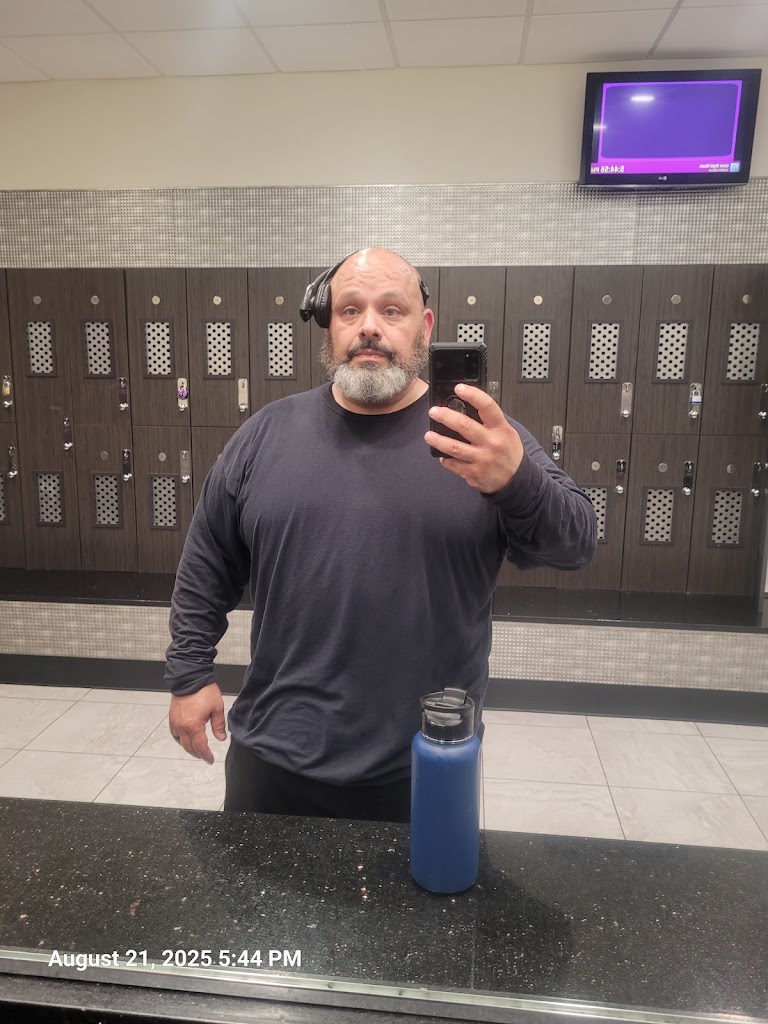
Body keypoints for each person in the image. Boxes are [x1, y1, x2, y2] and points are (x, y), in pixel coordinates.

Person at [165, 248, 597, 821]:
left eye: (392, 310)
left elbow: (576, 544)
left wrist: (516, 482)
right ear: (330, 326)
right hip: (273, 757)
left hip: (424, 763)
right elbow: (207, 562)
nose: (369, 326)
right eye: (350, 310)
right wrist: (189, 675)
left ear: (425, 326)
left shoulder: (482, 442)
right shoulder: (266, 433)